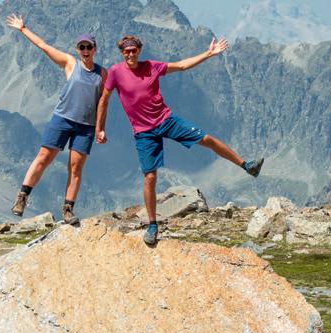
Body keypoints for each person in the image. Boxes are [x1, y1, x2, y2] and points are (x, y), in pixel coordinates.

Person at [95, 35, 263, 245]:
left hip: (166, 120)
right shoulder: (115, 72)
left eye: (134, 50)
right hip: (144, 132)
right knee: (150, 177)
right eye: (126, 51)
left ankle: (247, 166)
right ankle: (152, 225)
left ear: (139, 50)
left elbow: (182, 65)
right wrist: (99, 129)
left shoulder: (152, 67)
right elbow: (104, 100)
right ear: (122, 53)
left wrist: (209, 53)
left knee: (207, 139)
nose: (130, 54)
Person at [6, 14, 107, 225]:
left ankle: (68, 210)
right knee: (44, 157)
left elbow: (103, 103)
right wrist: (23, 29)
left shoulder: (102, 74)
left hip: (86, 127)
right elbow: (44, 46)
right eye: (82, 47)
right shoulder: (70, 63)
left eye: (89, 47)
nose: (85, 50)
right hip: (62, 119)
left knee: (76, 168)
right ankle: (22, 197)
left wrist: (100, 128)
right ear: (77, 50)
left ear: (95, 49)